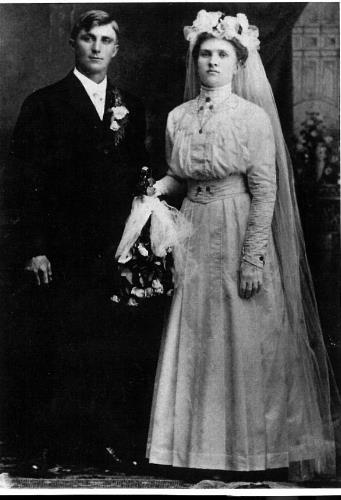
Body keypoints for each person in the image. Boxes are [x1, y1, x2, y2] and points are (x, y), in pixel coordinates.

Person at [146, 10, 340, 482]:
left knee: (243, 335)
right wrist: (153, 193)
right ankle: (196, 452)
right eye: (205, 54)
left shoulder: (251, 118)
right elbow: (182, 174)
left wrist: (253, 255)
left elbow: (265, 189)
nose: (212, 62)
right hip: (193, 228)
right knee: (196, 334)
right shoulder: (177, 117)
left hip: (238, 228)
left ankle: (250, 453)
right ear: (195, 63)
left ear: (237, 64)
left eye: (221, 55)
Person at [5, 10, 152, 469]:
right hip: (60, 247)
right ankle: (39, 448)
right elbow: (21, 182)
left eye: (105, 40)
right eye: (88, 38)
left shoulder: (133, 105)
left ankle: (97, 444)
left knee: (105, 344)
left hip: (111, 247)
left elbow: (136, 178)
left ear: (115, 49)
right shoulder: (44, 103)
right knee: (53, 344)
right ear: (74, 42)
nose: (95, 47)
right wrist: (34, 247)